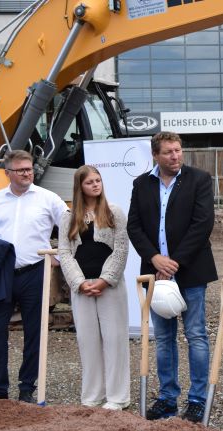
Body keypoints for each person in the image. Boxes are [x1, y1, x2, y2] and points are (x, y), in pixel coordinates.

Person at [127, 131, 218, 423]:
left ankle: (197, 400)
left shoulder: (199, 179)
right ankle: (167, 398)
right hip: (155, 273)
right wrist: (155, 258)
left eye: (178, 150)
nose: (175, 156)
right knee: (164, 339)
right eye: (168, 152)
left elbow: (202, 224)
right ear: (155, 155)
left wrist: (174, 262)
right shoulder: (141, 184)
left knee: (196, 335)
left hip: (189, 271)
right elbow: (134, 226)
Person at [0, 149, 68, 403]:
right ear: (8, 173)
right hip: (0, 274)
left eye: (29, 169)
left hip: (34, 272)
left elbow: (71, 228)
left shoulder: (49, 199)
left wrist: (60, 256)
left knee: (34, 331)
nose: (27, 173)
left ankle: (27, 387)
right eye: (21, 170)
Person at [58, 165, 130, 410]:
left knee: (115, 339)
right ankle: (92, 396)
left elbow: (121, 249)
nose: (95, 185)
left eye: (98, 180)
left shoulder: (114, 213)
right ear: (80, 186)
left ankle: (117, 397)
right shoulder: (68, 217)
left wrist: (105, 278)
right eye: (90, 182)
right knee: (87, 341)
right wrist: (79, 282)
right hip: (82, 286)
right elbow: (64, 252)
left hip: (109, 285)